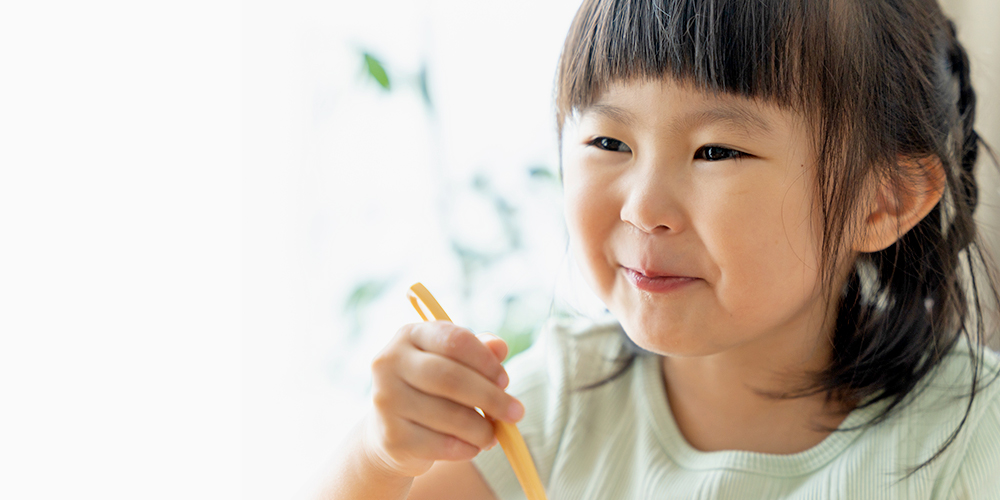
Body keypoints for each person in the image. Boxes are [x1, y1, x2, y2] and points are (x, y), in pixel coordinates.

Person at [321, 0, 1000, 498]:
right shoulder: (550, 412)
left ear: (882, 200)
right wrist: (379, 459)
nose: (643, 206)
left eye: (717, 151)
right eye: (609, 142)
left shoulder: (969, 443)